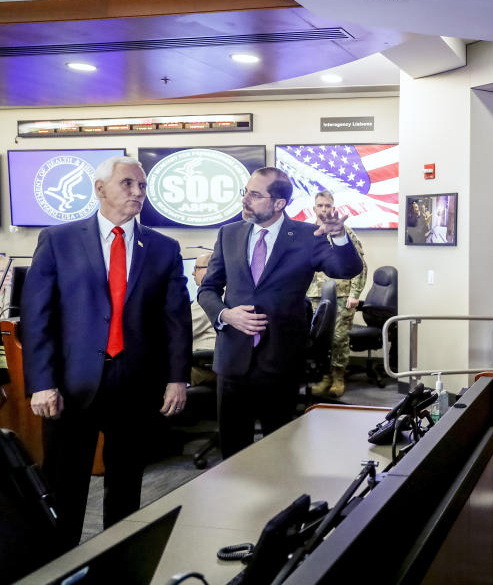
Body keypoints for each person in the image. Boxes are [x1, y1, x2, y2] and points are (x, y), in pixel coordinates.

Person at [21, 156, 192, 551]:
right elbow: (38, 317)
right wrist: (42, 383)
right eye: (129, 184)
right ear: (100, 189)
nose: (138, 193)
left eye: (143, 186)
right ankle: (58, 566)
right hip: (70, 386)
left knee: (126, 487)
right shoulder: (58, 240)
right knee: (65, 487)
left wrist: (177, 377)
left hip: (135, 384)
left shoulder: (163, 248)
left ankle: (117, 565)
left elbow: (176, 320)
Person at [198, 167, 362, 458]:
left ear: (279, 203)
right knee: (233, 454)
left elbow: (346, 269)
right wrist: (225, 315)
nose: (245, 199)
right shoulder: (229, 234)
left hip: (281, 360)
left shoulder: (306, 235)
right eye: (245, 192)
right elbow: (207, 289)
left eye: (255, 194)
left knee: (280, 452)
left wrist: (338, 236)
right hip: (234, 360)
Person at [306, 191, 367, 399]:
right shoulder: (308, 232)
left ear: (333, 208)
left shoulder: (344, 231)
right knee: (318, 341)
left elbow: (360, 265)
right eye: (320, 205)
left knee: (339, 338)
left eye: (328, 205)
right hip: (313, 296)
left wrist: (355, 293)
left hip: (341, 295)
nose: (324, 209)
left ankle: (338, 376)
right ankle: (323, 376)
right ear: (314, 208)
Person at [190, 251, 217, 386]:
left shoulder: (209, 296)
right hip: (208, 363)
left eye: (196, 268)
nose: (193, 273)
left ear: (211, 269)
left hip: (203, 366)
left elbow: (184, 329)